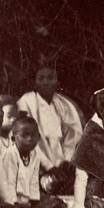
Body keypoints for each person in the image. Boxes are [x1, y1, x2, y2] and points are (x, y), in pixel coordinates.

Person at [17, 65, 84, 193]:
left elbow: (73, 135)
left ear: (57, 81)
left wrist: (67, 161)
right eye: (41, 78)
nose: (46, 82)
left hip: (62, 165)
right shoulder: (26, 102)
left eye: (50, 77)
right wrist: (49, 167)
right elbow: (26, 139)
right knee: (52, 186)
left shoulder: (63, 104)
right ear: (35, 82)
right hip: (39, 166)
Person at [0, 117, 64, 208]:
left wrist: (34, 201)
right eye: (24, 136)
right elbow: (7, 185)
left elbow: (34, 181)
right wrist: (13, 204)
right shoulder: (10, 155)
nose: (30, 139)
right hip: (10, 201)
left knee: (58, 204)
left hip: (26, 201)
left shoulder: (34, 155)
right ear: (14, 139)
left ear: (38, 137)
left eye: (33, 136)